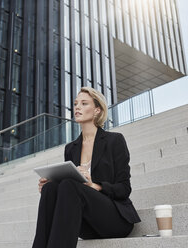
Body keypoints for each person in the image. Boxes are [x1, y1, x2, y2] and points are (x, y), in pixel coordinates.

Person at [32, 87, 141, 248]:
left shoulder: (114, 140)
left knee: (69, 185)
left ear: (97, 110)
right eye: (76, 104)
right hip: (86, 224)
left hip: (115, 219)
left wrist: (94, 186)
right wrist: (49, 184)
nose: (77, 107)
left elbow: (124, 188)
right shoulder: (71, 148)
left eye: (84, 104)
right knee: (51, 188)